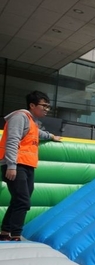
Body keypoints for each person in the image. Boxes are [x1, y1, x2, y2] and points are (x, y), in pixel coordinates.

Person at [0, 90, 62, 241]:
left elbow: (38, 133)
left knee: (18, 200)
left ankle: (4, 232)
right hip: (16, 164)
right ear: (32, 105)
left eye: (48, 106)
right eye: (44, 106)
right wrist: (12, 166)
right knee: (23, 201)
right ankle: (16, 235)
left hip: (27, 165)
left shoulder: (31, 121)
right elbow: (12, 140)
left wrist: (52, 136)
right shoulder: (19, 117)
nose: (47, 109)